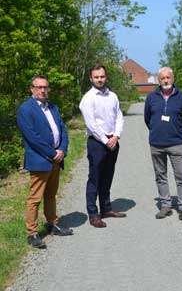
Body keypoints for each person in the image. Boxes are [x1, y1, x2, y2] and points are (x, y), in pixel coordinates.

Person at [17, 75, 73, 249]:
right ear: (31, 89)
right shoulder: (25, 109)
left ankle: (52, 223)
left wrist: (62, 150)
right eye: (39, 87)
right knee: (35, 198)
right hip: (40, 160)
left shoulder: (53, 107)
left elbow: (63, 129)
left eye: (45, 87)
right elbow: (32, 138)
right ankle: (32, 233)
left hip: (56, 158)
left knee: (51, 194)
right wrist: (52, 153)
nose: (42, 90)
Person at [144, 67, 182, 224]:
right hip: (157, 144)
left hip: (176, 144)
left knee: (181, 177)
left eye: (168, 78)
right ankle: (165, 205)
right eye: (162, 78)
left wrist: (181, 135)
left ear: (173, 78)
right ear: (159, 80)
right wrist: (156, 132)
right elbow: (147, 119)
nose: (165, 81)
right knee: (161, 176)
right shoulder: (151, 97)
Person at [79, 64, 125, 228]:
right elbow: (92, 125)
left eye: (102, 76)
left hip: (113, 140)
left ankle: (106, 208)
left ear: (106, 77)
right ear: (91, 78)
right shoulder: (88, 99)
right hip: (97, 143)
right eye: (96, 77)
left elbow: (119, 116)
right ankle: (93, 214)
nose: (100, 79)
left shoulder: (112, 96)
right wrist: (106, 141)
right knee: (95, 179)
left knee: (108, 176)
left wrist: (117, 135)